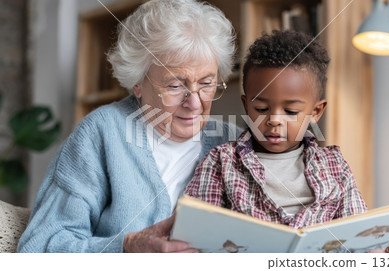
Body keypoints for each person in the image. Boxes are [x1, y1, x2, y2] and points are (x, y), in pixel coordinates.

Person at [18, 0, 240, 253]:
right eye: (175, 86)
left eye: (206, 83)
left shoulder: (233, 141)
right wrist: (126, 248)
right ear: (137, 83)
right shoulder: (101, 133)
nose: (194, 103)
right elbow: (39, 247)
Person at [184, 30, 389, 253]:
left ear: (316, 111)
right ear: (246, 106)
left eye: (291, 111)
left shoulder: (335, 166)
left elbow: (358, 237)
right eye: (261, 109)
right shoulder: (221, 162)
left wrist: (386, 251)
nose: (274, 120)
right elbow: (196, 237)